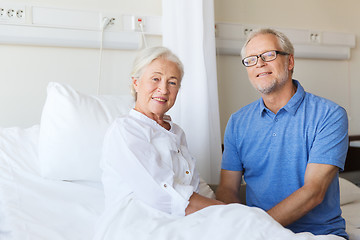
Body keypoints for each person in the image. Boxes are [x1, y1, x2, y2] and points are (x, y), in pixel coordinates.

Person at [93, 46, 344, 240]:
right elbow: (162, 194)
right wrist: (231, 214)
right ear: (136, 83)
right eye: (155, 79)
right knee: (245, 222)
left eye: (172, 82)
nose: (164, 89)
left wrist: (229, 214)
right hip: (144, 220)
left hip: (184, 216)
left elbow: (195, 184)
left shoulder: (175, 132)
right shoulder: (126, 130)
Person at [216, 28, 349, 239]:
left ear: (290, 62)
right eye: (251, 59)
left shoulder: (329, 115)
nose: (259, 63)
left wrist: (255, 229)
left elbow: (313, 192)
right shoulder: (238, 122)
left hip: (317, 234)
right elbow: (227, 189)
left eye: (268, 55)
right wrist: (240, 226)